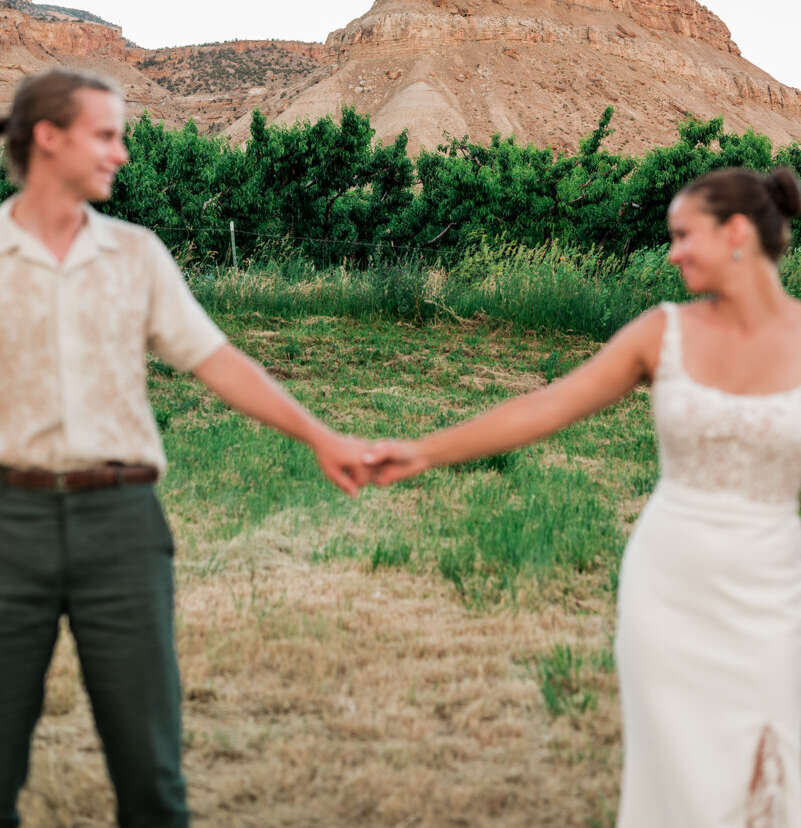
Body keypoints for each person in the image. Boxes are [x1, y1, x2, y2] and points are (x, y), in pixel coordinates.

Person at [364, 166, 801, 828]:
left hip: (774, 592)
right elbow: (547, 406)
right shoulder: (663, 332)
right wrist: (425, 450)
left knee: (772, 771)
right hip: (670, 589)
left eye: (683, 235)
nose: (671, 251)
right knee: (680, 773)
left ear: (736, 231)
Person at [0, 69, 371, 828]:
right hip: (7, 528)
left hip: (123, 528)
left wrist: (318, 434)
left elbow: (215, 360)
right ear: (48, 138)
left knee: (151, 777)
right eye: (105, 136)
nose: (121, 154)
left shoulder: (136, 255)